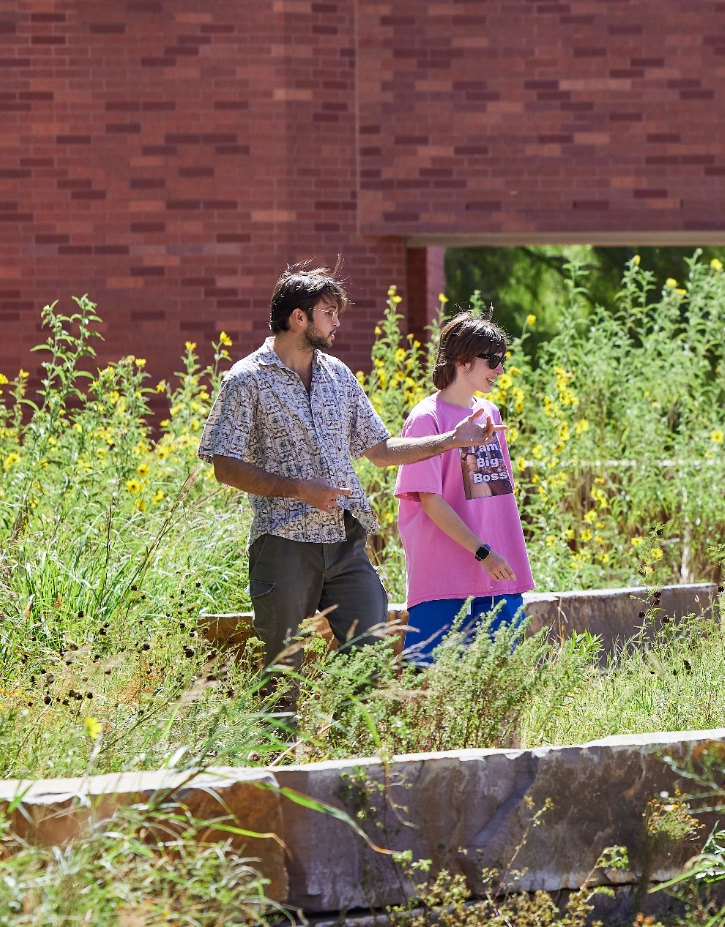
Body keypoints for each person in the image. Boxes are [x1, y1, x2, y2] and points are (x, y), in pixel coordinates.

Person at [197, 265, 486, 691]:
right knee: (282, 668)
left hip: (346, 542)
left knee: (369, 658)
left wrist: (450, 439)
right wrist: (299, 490)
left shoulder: (338, 375)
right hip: (283, 540)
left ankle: (357, 754)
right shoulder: (245, 380)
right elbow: (224, 465)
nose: (337, 322)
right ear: (299, 317)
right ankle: (279, 755)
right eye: (329, 312)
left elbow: (382, 451)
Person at [393, 312, 535, 664]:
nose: (500, 370)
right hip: (445, 580)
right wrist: (483, 552)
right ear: (462, 361)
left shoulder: (490, 413)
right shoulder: (427, 419)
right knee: (430, 693)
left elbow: (496, 497)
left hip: (498, 576)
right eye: (494, 360)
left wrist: (495, 555)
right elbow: (430, 500)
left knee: (499, 687)